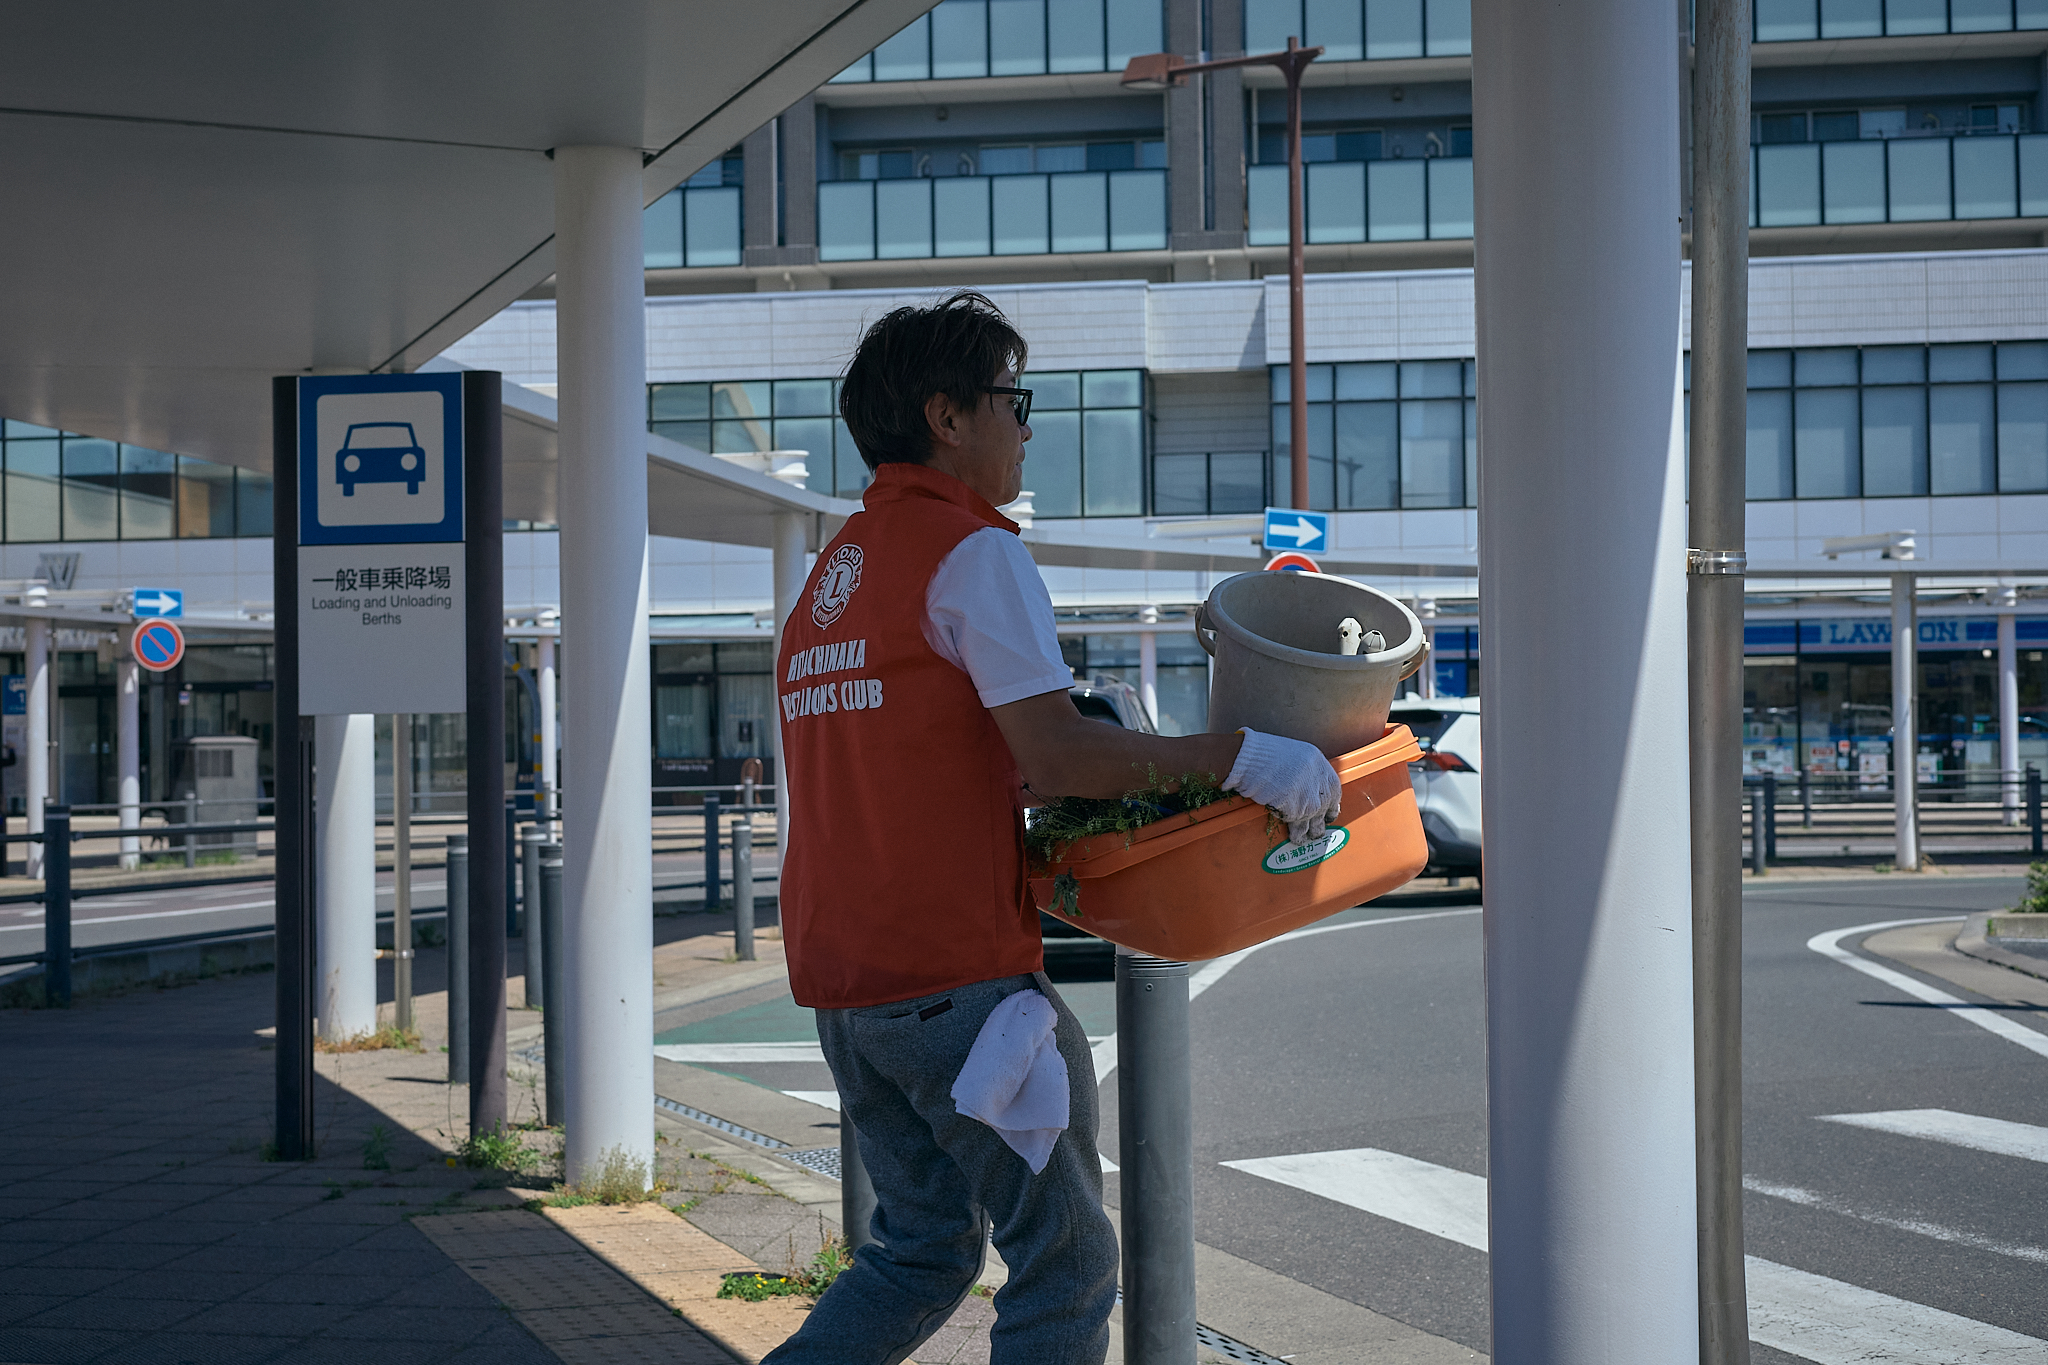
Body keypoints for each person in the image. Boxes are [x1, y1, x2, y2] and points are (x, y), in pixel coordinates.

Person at [765, 291, 1341, 1364]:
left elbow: (936, 768)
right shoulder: (970, 552)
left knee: (921, 1252)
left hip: (847, 986)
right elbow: (1057, 755)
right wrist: (1239, 758)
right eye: (1010, 400)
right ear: (946, 417)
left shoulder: (830, 583)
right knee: (1063, 1266)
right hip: (962, 986)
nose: (1025, 426)